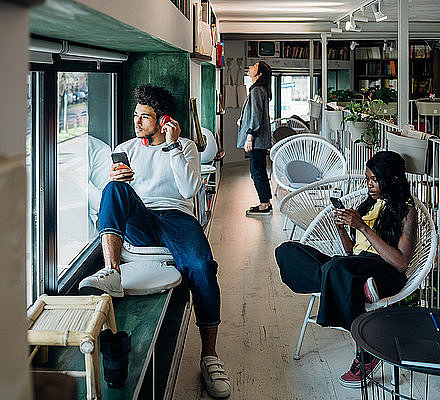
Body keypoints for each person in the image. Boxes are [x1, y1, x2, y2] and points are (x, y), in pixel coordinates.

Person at [79, 84, 230, 398]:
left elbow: (189, 191)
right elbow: (112, 200)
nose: (137, 122)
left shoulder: (186, 146)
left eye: (144, 117)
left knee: (202, 267)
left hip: (176, 217)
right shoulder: (126, 148)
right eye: (136, 115)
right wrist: (115, 181)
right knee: (113, 189)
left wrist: (173, 147)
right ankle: (111, 270)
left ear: (163, 120)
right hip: (142, 217)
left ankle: (210, 356)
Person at [275, 151, 416, 388]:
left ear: (392, 179)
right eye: (367, 179)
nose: (369, 185)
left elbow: (401, 262)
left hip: (384, 270)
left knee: (336, 267)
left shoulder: (406, 211)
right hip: (355, 265)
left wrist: (362, 226)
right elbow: (351, 252)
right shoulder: (368, 204)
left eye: (374, 180)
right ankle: (355, 287)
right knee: (287, 251)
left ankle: (366, 352)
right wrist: (342, 227)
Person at [237, 61, 273, 215]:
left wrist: (250, 136)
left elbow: (256, 116)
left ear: (259, 75)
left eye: (254, 66)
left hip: (257, 140)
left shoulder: (257, 90)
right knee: (260, 171)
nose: (250, 67)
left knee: (256, 172)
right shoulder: (260, 89)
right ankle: (266, 202)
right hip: (259, 139)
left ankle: (264, 204)